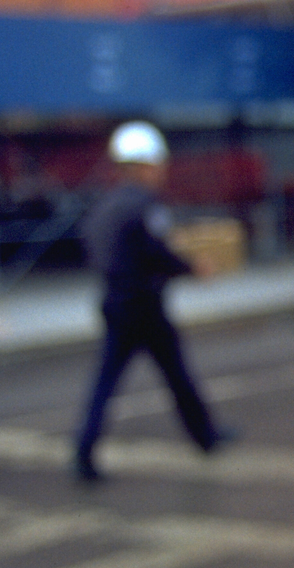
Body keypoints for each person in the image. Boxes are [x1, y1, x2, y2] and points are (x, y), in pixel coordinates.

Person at [72, 121, 231, 482]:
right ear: (143, 166)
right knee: (177, 374)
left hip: (115, 302)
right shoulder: (146, 205)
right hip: (145, 305)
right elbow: (156, 251)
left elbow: (94, 247)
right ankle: (205, 437)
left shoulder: (106, 205)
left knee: (107, 382)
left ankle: (84, 450)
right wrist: (193, 268)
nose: (161, 172)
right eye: (157, 164)